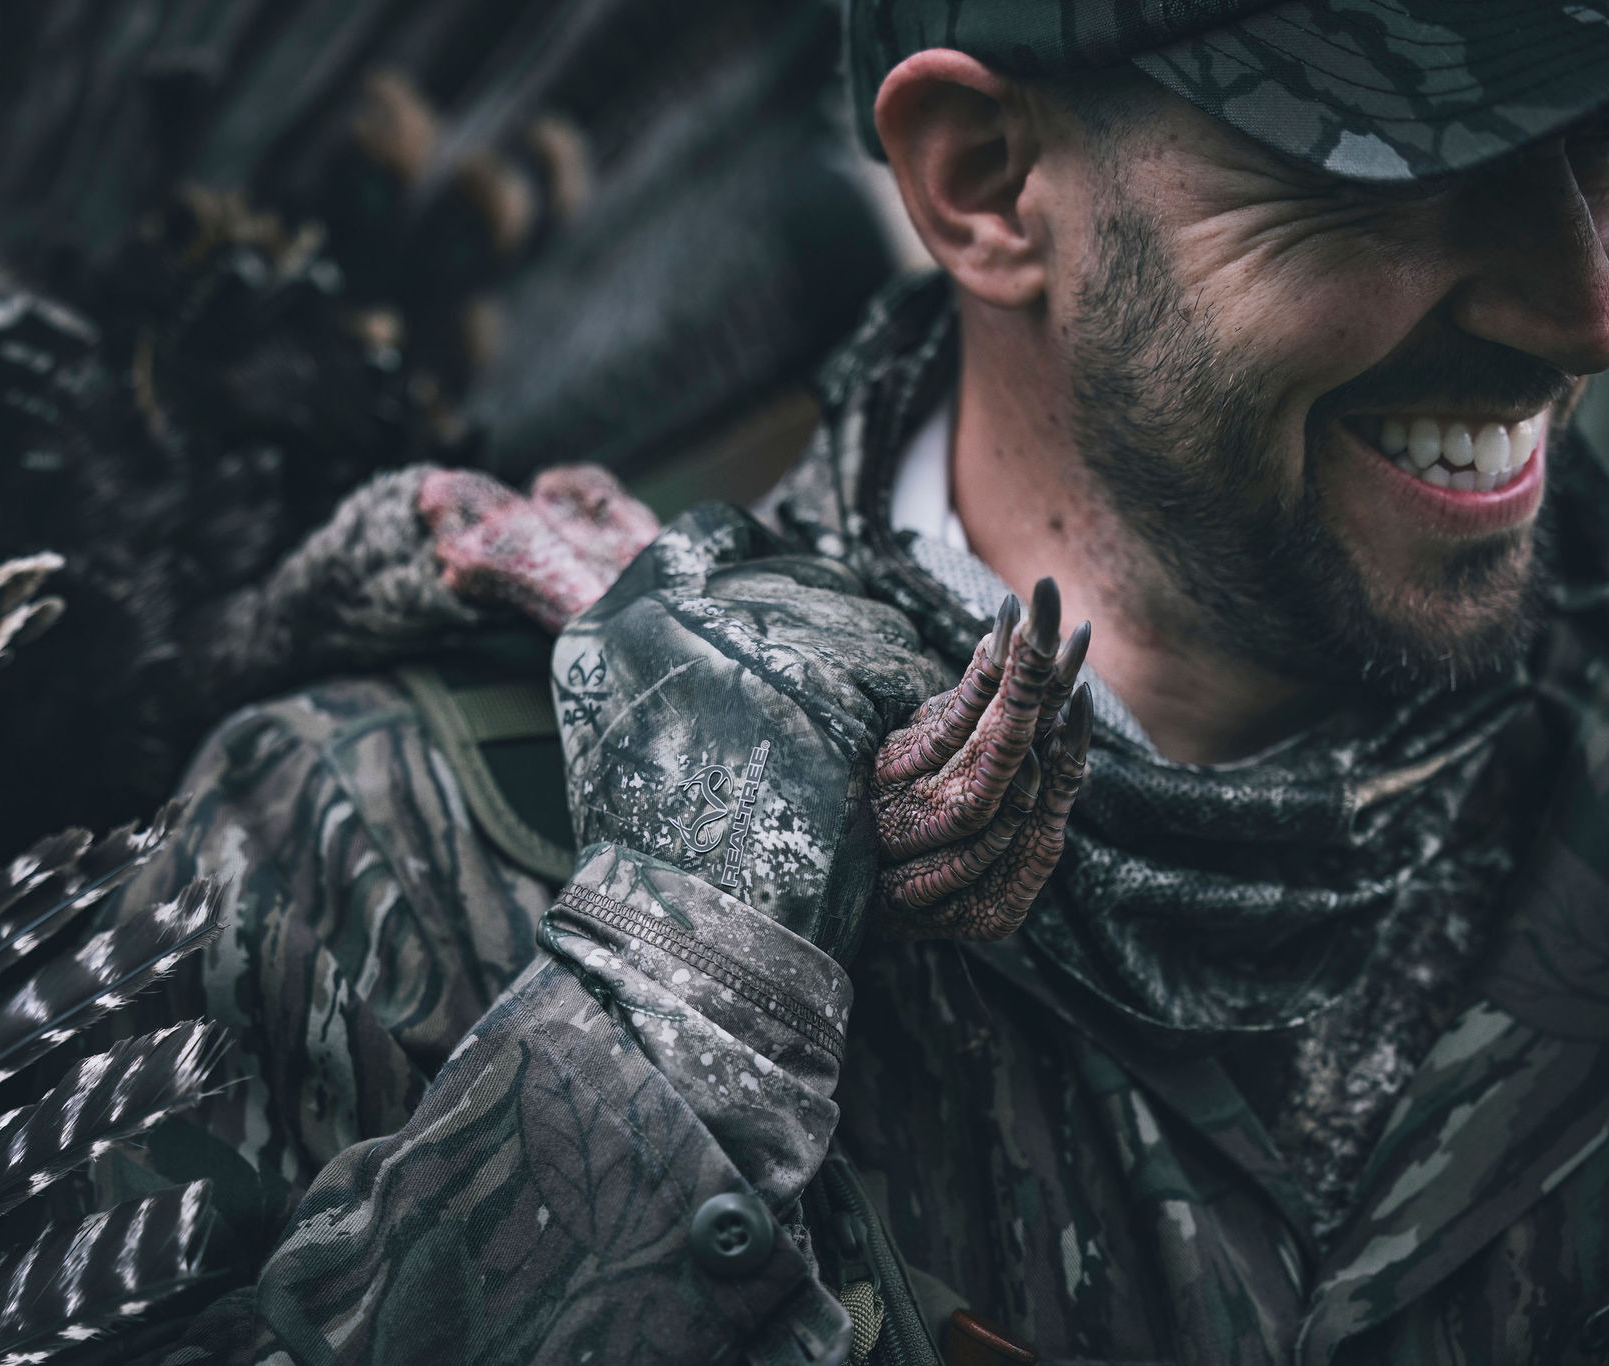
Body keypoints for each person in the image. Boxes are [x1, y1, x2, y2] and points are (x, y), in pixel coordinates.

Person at [123, 3, 1609, 1362]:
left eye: (1599, 138)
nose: (1582, 303)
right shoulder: (381, 855)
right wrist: (677, 1008)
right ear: (983, 184)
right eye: (1401, 168)